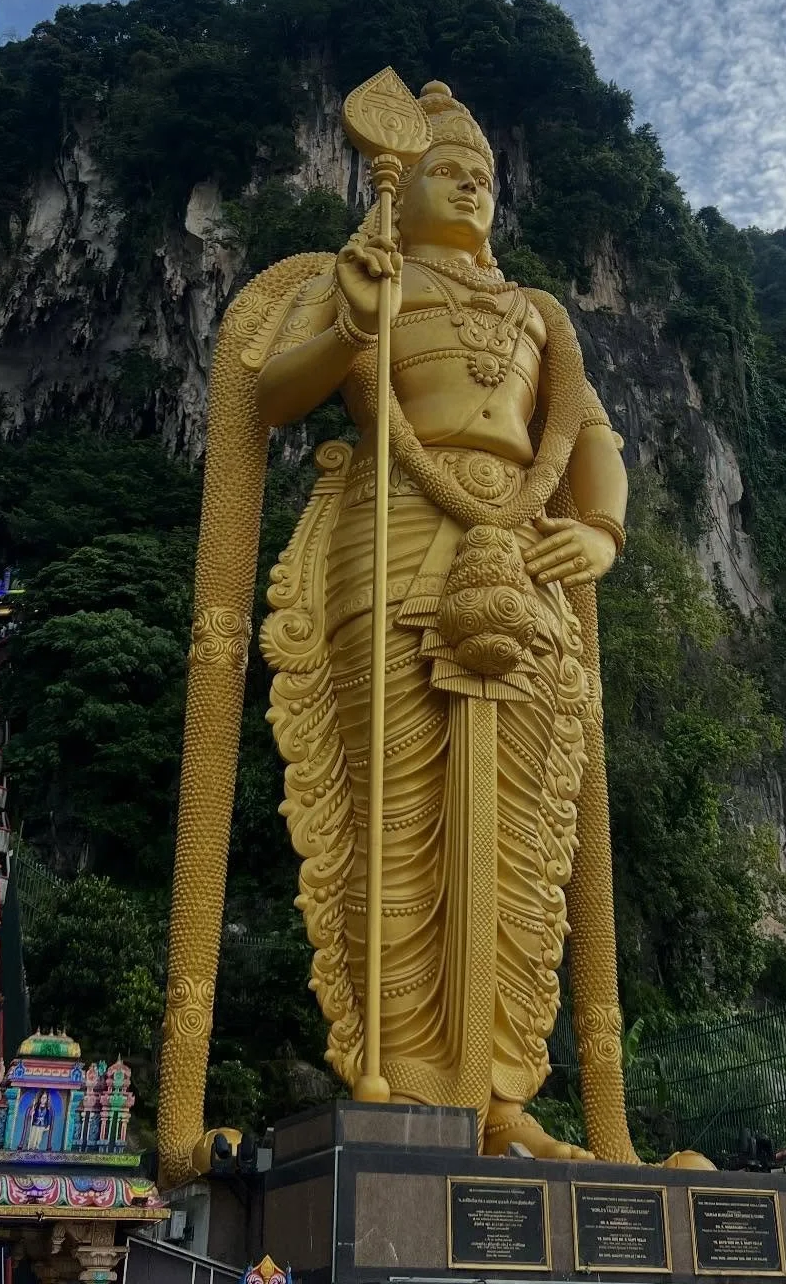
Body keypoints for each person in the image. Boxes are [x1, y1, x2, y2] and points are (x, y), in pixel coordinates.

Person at [159, 77, 636, 1173]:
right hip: (392, 542)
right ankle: (408, 1083)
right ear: (400, 181)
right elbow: (271, 395)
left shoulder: (538, 315)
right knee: (395, 817)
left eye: (484, 176)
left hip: (527, 562)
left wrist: (602, 530)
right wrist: (349, 323)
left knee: (525, 833)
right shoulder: (362, 272)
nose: (471, 188)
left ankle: (503, 1101)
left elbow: (591, 436)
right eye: (447, 170)